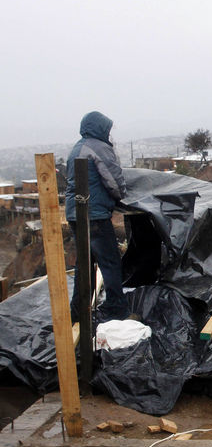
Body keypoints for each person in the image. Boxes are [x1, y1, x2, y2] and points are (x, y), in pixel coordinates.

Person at [66, 111, 130, 323]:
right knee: (110, 262)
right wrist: (122, 196)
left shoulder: (78, 147)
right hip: (94, 215)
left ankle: (77, 311)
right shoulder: (98, 148)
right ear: (101, 128)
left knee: (84, 264)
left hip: (76, 214)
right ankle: (116, 308)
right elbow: (113, 180)